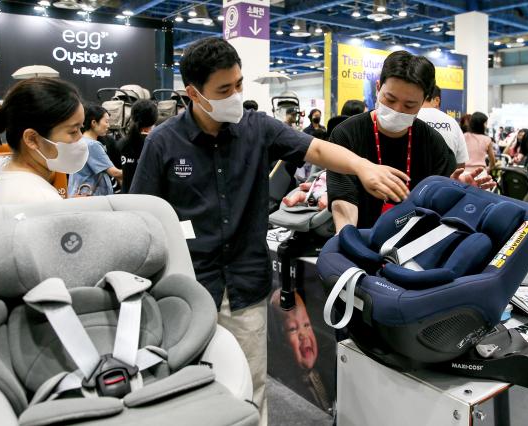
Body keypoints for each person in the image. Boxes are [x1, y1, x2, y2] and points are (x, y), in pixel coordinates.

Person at [130, 37, 409, 425]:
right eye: (224, 90)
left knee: (249, 383)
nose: (236, 95)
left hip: (245, 286)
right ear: (193, 93)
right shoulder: (164, 142)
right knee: (189, 389)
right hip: (187, 290)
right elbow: (141, 214)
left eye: (239, 84)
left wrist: (363, 167)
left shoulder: (256, 128)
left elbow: (315, 150)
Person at [328, 50, 494, 232]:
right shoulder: (347, 134)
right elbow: (343, 200)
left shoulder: (433, 143)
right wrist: (346, 238)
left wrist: (459, 194)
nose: (397, 110)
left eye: (409, 105)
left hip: (413, 244)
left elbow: (439, 207)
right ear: (378, 88)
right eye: (389, 99)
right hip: (361, 238)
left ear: (423, 102)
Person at [0, 78, 86, 204]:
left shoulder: (9, 180)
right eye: (73, 131)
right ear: (32, 139)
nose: (81, 139)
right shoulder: (41, 199)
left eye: (81, 128)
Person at [269, 290, 331, 412]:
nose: (303, 334)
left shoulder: (328, 366)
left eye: (307, 324)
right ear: (280, 340)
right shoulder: (284, 386)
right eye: (292, 329)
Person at [68, 105, 122, 196]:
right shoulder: (92, 145)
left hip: (77, 194)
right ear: (94, 123)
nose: (108, 125)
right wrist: (133, 171)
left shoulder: (79, 141)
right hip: (91, 198)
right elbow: (114, 172)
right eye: (106, 121)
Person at [417, 85, 468, 168]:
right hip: (446, 178)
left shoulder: (411, 118)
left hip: (414, 179)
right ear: (437, 100)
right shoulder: (452, 122)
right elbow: (461, 163)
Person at [116, 99, 158, 193]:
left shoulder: (122, 144)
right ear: (154, 119)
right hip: (149, 199)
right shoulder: (156, 144)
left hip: (126, 198)